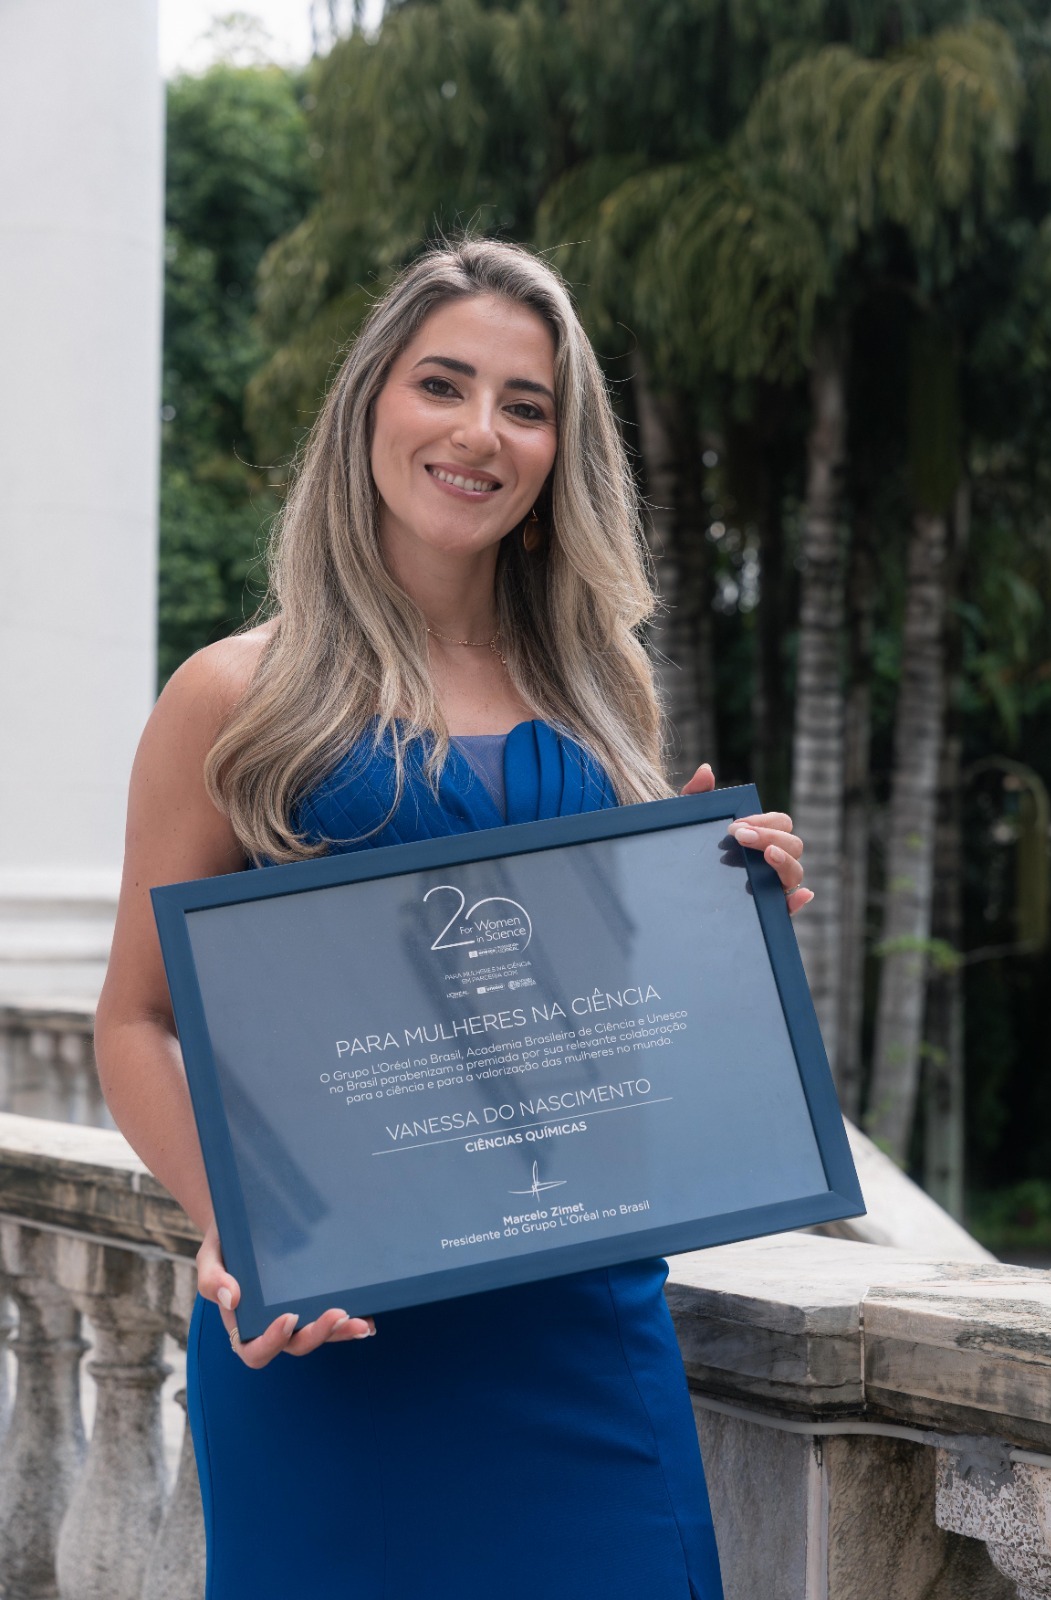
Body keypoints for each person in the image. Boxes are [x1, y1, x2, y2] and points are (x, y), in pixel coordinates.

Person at [95, 238, 810, 1600]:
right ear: (370, 404)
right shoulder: (234, 697)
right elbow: (135, 1020)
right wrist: (244, 1226)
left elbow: (608, 1027)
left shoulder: (603, 698)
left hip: (578, 1331)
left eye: (524, 405)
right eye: (443, 384)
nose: (480, 432)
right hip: (335, 1342)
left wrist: (720, 915)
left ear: (557, 452)